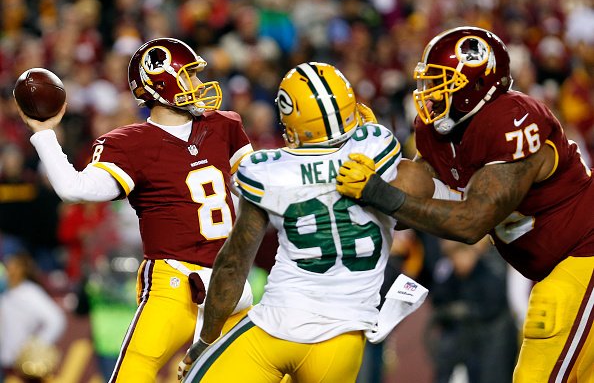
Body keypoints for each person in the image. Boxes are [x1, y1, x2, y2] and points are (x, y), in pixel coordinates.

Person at [336, 26, 594, 382]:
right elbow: (415, 189)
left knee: (539, 367)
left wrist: (378, 193)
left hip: (584, 254)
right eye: (427, 82)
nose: (428, 94)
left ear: (475, 85)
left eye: (441, 82)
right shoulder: (439, 131)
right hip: (554, 265)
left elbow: (471, 223)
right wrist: (362, 166)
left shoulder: (512, 119)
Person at [15, 37, 255, 383]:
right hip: (175, 284)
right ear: (162, 84)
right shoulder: (129, 144)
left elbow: (260, 188)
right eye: (189, 76)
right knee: (132, 375)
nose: (199, 85)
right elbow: (73, 188)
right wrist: (45, 133)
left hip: (231, 283)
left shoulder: (224, 125)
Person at [177, 62, 429, 382]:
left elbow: (232, 266)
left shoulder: (268, 170)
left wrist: (206, 340)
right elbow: (420, 195)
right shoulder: (376, 146)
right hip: (344, 341)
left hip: (278, 326)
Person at [426, 238, 518, 383]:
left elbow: (493, 307)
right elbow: (439, 299)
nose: (456, 263)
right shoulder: (452, 276)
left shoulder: (489, 272)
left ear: (469, 254)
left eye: (457, 257)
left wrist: (468, 310)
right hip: (465, 340)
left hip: (494, 340)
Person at [0, 249, 65, 382]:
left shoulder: (29, 292)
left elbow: (56, 319)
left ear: (22, 270)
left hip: (19, 363)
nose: (8, 272)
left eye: (12, 267)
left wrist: (36, 344)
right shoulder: (6, 292)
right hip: (5, 360)